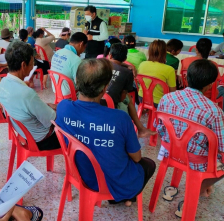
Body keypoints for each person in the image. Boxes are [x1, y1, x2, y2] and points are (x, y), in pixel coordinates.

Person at [55, 58, 156, 206]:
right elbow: (136, 157)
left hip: (80, 174)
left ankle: (121, 196)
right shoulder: (120, 118)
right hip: (110, 181)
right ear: (105, 88)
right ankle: (122, 197)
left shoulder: (63, 107)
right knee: (149, 164)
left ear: (77, 81)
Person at [155, 59, 224, 217]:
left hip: (170, 150)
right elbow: (222, 147)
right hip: (196, 160)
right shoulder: (214, 111)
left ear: (186, 78)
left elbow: (158, 126)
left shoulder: (167, 98)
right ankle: (195, 192)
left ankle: (180, 187)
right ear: (210, 85)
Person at [0, 41, 60, 151]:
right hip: (42, 140)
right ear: (23, 65)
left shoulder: (3, 83)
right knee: (75, 129)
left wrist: (45, 107)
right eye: (32, 63)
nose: (33, 67)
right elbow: (52, 119)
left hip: (23, 134)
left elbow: (25, 107)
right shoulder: (26, 93)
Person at [106, 43, 156, 138]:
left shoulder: (100, 64)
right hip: (112, 104)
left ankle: (140, 129)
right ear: (125, 59)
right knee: (127, 98)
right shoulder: (127, 72)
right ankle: (138, 130)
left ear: (110, 55)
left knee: (127, 97)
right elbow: (121, 98)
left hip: (95, 99)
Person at [138, 40, 176, 107]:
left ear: (149, 52)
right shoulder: (169, 69)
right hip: (160, 102)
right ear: (165, 53)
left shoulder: (142, 64)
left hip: (141, 98)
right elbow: (172, 92)